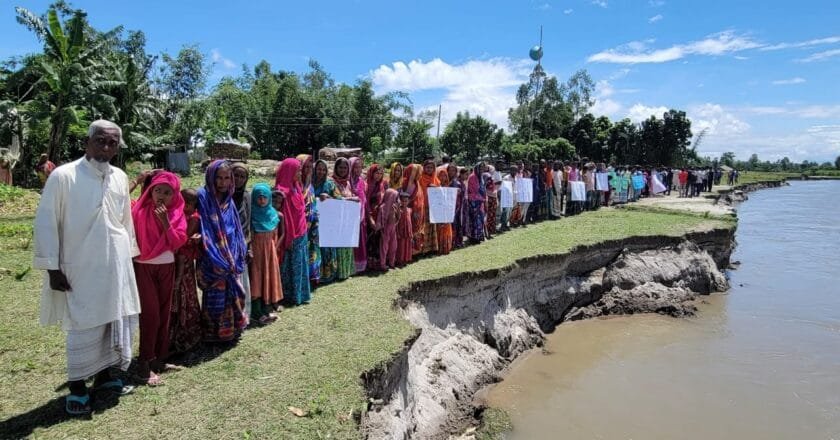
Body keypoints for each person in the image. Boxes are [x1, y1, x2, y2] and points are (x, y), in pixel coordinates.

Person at [33, 120, 139, 415]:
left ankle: (106, 377)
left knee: (112, 319)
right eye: (101, 141)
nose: (106, 147)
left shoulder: (119, 176)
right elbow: (46, 222)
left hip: (115, 264)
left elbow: (124, 220)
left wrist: (129, 256)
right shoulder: (64, 176)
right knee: (83, 323)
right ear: (87, 142)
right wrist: (52, 268)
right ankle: (78, 386)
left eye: (113, 143)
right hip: (80, 265)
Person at [131, 171, 187, 386]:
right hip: (144, 267)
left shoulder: (176, 213)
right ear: (150, 191)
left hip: (167, 266)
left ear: (174, 195)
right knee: (150, 316)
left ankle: (159, 360)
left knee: (165, 314)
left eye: (167, 192)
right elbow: (115, 202)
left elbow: (177, 243)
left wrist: (165, 222)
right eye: (158, 190)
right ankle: (144, 365)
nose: (162, 195)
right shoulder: (139, 210)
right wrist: (136, 180)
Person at [197, 160, 248, 343]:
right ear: (211, 177)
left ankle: (233, 330)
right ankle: (213, 335)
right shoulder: (203, 196)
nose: (223, 182)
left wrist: (238, 251)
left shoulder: (229, 199)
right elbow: (204, 226)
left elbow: (236, 227)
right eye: (219, 178)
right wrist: (217, 256)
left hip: (232, 255)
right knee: (215, 297)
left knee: (234, 294)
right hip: (213, 256)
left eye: (227, 178)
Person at [169, 188, 203, 356]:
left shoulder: (194, 218)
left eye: (191, 203)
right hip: (173, 261)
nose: (187, 206)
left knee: (184, 295)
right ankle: (172, 338)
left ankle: (187, 336)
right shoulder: (174, 214)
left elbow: (181, 240)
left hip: (184, 262)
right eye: (185, 202)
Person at [276, 158, 311, 306]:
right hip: (291, 235)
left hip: (302, 232)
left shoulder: (296, 186)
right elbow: (285, 217)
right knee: (290, 265)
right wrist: (289, 237)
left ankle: (301, 294)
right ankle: (291, 296)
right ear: (289, 171)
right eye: (297, 170)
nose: (300, 172)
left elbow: (301, 209)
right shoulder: (282, 192)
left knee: (300, 264)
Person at [249, 183, 283, 324]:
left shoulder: (273, 215)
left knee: (268, 278)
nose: (262, 200)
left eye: (264, 197)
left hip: (270, 253)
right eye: (259, 197)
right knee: (257, 280)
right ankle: (256, 311)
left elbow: (276, 234)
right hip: (256, 254)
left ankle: (266, 307)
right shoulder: (251, 215)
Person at [312, 159, 343, 284]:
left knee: (327, 247)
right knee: (315, 247)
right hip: (313, 221)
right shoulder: (310, 183)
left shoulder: (330, 184)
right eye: (319, 169)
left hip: (327, 221)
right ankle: (316, 275)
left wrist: (329, 197)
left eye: (324, 169)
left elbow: (339, 199)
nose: (321, 171)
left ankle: (329, 274)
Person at [230, 162, 253, 320]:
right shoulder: (223, 196)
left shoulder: (246, 196)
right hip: (226, 246)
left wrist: (248, 246)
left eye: (242, 176)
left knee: (242, 282)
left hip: (242, 244)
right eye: (235, 175)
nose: (238, 179)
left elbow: (249, 221)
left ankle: (243, 316)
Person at [331, 158, 360, 280]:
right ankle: (339, 273)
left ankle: (347, 271)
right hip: (336, 221)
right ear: (336, 168)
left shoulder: (347, 183)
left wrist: (353, 198)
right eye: (340, 167)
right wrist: (352, 199)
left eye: (345, 168)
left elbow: (352, 196)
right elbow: (333, 200)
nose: (342, 170)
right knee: (339, 247)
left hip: (348, 219)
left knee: (348, 245)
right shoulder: (331, 182)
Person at [296, 154, 321, 287]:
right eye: (304, 167)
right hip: (301, 225)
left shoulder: (309, 185)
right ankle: (303, 278)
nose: (307, 170)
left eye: (309, 167)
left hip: (314, 224)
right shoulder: (296, 185)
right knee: (302, 251)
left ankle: (313, 277)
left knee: (313, 250)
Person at [349, 157, 368, 273]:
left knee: (360, 241)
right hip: (349, 218)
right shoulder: (347, 181)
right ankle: (351, 266)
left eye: (360, 167)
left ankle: (360, 266)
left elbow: (364, 198)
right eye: (355, 167)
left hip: (361, 216)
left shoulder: (362, 181)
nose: (358, 169)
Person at [366, 163, 386, 268]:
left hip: (380, 216)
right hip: (370, 217)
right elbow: (366, 203)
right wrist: (370, 219)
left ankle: (378, 262)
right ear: (372, 173)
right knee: (370, 239)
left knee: (379, 239)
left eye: (381, 173)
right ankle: (369, 264)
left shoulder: (382, 185)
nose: (378, 175)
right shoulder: (368, 185)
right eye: (377, 173)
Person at [376, 188, 400, 270]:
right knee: (384, 247)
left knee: (394, 246)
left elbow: (398, 217)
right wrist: (379, 226)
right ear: (390, 197)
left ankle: (392, 262)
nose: (397, 200)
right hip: (385, 229)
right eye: (395, 197)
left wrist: (397, 210)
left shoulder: (395, 207)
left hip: (393, 229)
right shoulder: (383, 207)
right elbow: (379, 219)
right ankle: (382, 264)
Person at [435, 164, 454, 255]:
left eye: (444, 175)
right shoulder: (434, 187)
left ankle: (447, 247)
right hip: (438, 212)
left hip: (447, 212)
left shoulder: (448, 186)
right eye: (440, 175)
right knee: (440, 228)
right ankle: (440, 248)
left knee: (447, 228)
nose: (442, 177)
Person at [467, 162, 486, 243]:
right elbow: (474, 189)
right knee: (474, 219)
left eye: (483, 168)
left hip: (480, 201)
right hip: (474, 201)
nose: (481, 169)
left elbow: (483, 189)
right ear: (476, 168)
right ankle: (474, 238)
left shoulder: (481, 177)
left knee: (480, 218)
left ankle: (478, 236)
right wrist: (481, 196)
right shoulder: (472, 177)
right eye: (480, 168)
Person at [395, 191, 414, 267]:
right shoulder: (398, 210)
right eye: (402, 201)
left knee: (407, 245)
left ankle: (406, 259)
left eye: (406, 201)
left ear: (408, 201)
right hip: (401, 231)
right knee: (401, 246)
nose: (404, 203)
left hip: (408, 231)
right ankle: (400, 260)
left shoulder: (410, 210)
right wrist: (397, 233)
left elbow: (410, 222)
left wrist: (411, 233)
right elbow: (396, 223)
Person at [451, 166, 467, 246]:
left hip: (462, 206)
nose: (466, 176)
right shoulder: (456, 182)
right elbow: (455, 194)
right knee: (456, 223)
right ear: (460, 174)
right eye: (465, 174)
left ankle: (459, 241)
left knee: (460, 223)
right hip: (456, 207)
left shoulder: (462, 182)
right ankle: (455, 242)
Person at [484, 166, 497, 238]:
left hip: (493, 198)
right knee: (488, 215)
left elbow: (494, 188)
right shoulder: (486, 176)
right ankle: (487, 233)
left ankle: (490, 232)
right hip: (488, 198)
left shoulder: (491, 177)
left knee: (492, 215)